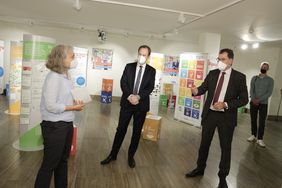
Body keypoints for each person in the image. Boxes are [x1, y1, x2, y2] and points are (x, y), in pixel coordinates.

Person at [185, 49, 248, 188]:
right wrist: (195, 91)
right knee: (204, 144)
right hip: (210, 115)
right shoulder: (213, 73)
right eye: (219, 59)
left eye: (223, 59)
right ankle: (200, 168)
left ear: (231, 60)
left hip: (227, 117)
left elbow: (244, 99)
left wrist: (225, 104)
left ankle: (223, 176)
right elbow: (202, 89)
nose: (220, 62)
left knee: (225, 148)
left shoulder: (239, 77)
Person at [35, 45, 84, 188]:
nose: (74, 59)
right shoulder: (54, 78)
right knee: (49, 164)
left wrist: (74, 102)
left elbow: (63, 98)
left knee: (62, 161)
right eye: (71, 56)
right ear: (61, 59)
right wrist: (72, 107)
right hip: (54, 126)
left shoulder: (65, 76)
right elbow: (50, 105)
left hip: (66, 124)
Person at [100, 45, 156, 168]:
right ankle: (112, 154)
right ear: (137, 54)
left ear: (148, 56)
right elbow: (123, 82)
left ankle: (131, 156)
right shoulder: (129, 67)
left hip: (141, 106)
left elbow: (150, 87)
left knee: (136, 132)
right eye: (140, 54)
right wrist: (130, 95)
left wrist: (138, 97)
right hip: (127, 103)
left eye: (144, 55)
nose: (142, 57)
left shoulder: (151, 71)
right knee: (120, 129)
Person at [247, 62, 274, 147]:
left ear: (267, 69)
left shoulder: (270, 80)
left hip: (263, 103)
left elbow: (269, 93)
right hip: (253, 102)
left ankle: (260, 139)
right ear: (260, 67)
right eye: (263, 66)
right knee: (253, 119)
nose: (264, 68)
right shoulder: (254, 78)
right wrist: (254, 99)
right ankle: (253, 135)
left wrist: (259, 100)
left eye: (266, 67)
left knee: (262, 121)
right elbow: (251, 90)